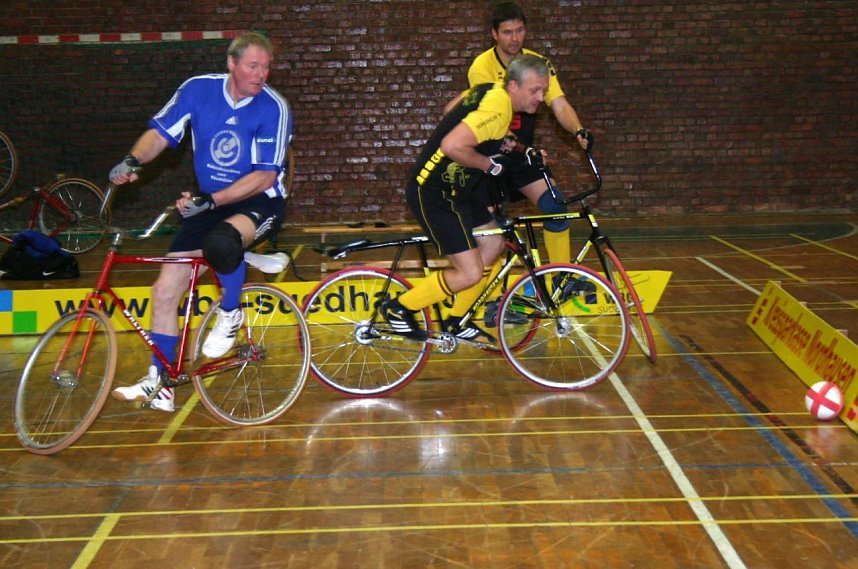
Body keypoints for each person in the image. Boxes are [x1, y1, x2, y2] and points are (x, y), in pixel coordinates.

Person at [108, 31, 293, 412]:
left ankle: (230, 311)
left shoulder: (273, 107)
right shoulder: (197, 90)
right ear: (231, 63)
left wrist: (210, 200)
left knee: (222, 242)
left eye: (267, 66)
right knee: (163, 291)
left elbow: (265, 176)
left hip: (259, 202)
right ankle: (159, 382)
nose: (262, 74)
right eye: (253, 66)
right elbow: (160, 134)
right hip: (209, 205)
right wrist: (132, 160)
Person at [380, 54, 550, 344]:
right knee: (470, 272)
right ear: (513, 85)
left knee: (493, 242)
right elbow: (452, 144)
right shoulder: (498, 106)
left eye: (544, 90)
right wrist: (489, 166)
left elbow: (454, 111)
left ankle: (456, 320)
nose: (541, 97)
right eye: (535, 90)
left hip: (457, 188)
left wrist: (524, 150)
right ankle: (400, 307)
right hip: (433, 191)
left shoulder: (490, 91)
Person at [455, 2, 594, 325]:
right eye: (507, 32)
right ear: (494, 34)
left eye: (519, 30)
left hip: (521, 156)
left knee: (555, 205)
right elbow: (489, 116)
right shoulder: (482, 67)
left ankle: (560, 277)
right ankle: (485, 302)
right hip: (489, 155)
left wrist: (578, 131)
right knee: (492, 236)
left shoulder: (537, 64)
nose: (514, 38)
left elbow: (558, 103)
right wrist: (517, 147)